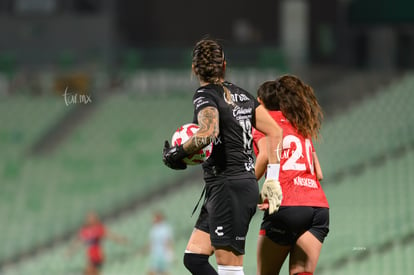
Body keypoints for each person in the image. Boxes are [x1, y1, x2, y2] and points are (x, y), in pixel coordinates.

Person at [162, 38, 283, 275]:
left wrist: (178, 152)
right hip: (230, 186)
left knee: (230, 269)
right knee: (194, 258)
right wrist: (272, 178)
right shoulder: (243, 96)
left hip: (228, 188)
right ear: (224, 65)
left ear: (194, 69)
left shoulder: (205, 95)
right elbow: (275, 131)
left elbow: (209, 131)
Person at [253, 75, 330, 275]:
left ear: (261, 103)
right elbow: (319, 173)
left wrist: (247, 185)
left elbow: (263, 156)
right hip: (318, 209)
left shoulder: (264, 122)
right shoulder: (299, 124)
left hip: (287, 205)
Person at [148, 211, 174, 275]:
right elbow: (152, 242)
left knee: (164, 272)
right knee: (152, 271)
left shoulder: (165, 229)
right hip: (155, 254)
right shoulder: (153, 229)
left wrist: (170, 253)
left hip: (163, 254)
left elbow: (168, 241)